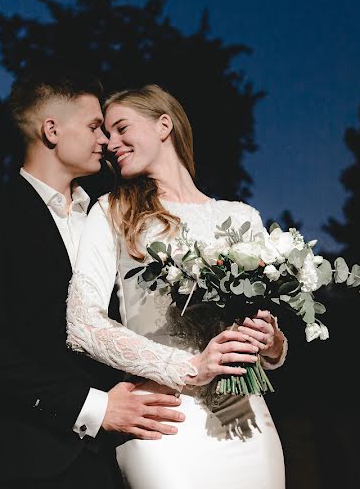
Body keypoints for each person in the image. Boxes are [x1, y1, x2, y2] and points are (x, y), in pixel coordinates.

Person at [0, 76, 185, 488]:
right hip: (40, 460)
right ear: (52, 130)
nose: (105, 140)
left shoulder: (112, 215)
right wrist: (94, 408)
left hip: (131, 454)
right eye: (95, 126)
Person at [66, 84, 287, 488]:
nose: (110, 144)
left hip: (247, 421)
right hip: (165, 420)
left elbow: (265, 338)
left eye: (120, 128)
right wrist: (189, 368)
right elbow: (82, 324)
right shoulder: (113, 211)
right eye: (105, 133)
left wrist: (271, 341)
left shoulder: (242, 217)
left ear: (163, 125)